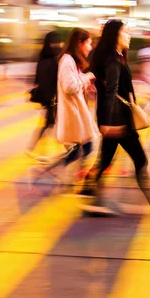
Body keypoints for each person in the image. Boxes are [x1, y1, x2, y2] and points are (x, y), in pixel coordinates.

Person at [81, 19, 150, 217]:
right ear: (116, 36)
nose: (129, 35)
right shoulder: (114, 60)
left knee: (105, 161)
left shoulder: (117, 57)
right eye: (126, 32)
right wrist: (108, 123)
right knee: (140, 160)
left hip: (116, 120)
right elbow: (111, 92)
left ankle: (93, 200)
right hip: (118, 122)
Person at [30, 28, 98, 189]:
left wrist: (86, 85)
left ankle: (52, 172)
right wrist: (87, 78)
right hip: (73, 113)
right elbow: (69, 86)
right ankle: (75, 178)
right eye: (88, 43)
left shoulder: (72, 61)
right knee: (86, 146)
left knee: (79, 149)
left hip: (76, 112)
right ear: (79, 43)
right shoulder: (67, 60)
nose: (90, 47)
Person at [25, 31, 63, 159]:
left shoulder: (42, 58)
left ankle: (36, 149)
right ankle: (36, 150)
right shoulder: (55, 59)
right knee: (51, 123)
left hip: (46, 97)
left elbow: (36, 80)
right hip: (53, 97)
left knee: (51, 123)